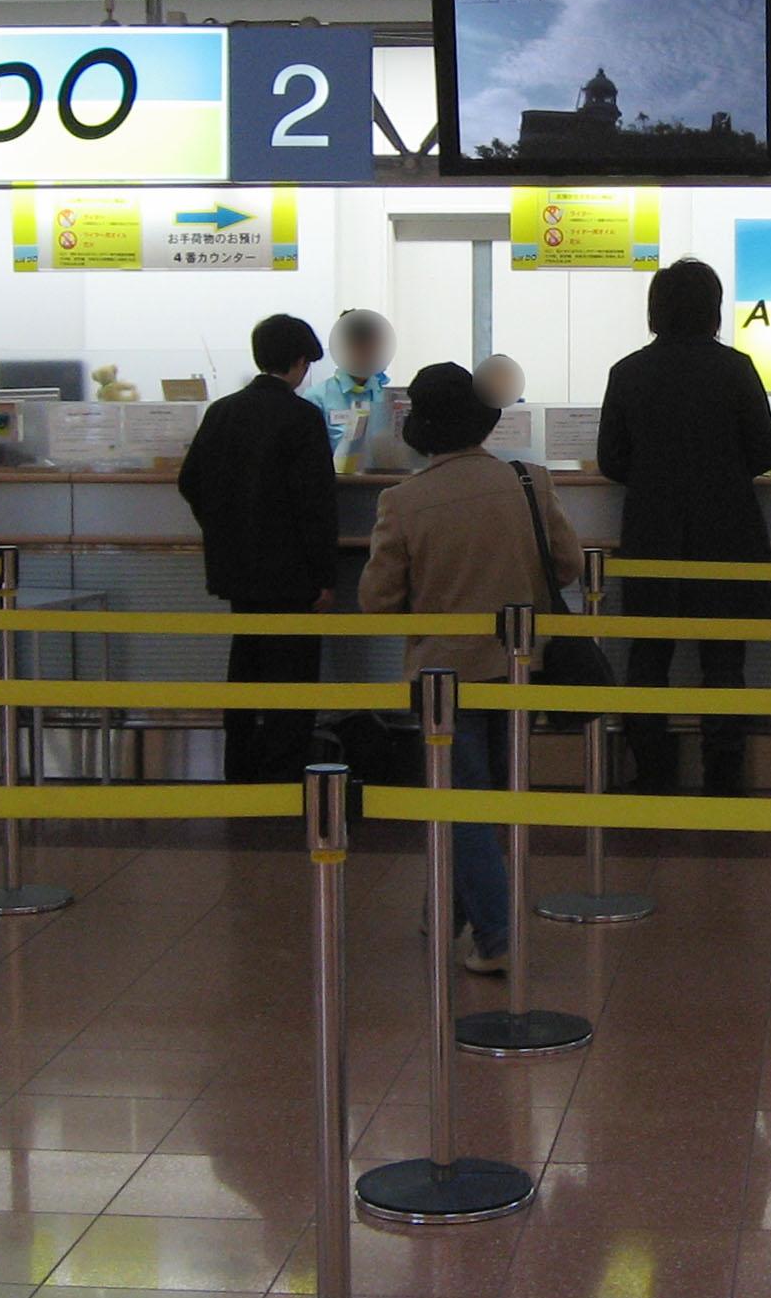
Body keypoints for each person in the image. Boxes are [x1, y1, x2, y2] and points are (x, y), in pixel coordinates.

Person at [360, 362, 583, 974]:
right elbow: (564, 566)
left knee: (462, 803)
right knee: (486, 804)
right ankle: (444, 915)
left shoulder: (402, 503)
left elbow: (378, 600)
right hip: (516, 667)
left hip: (440, 677)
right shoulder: (528, 481)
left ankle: (496, 936)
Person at [597, 257, 771, 795]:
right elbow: (765, 451)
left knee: (649, 655)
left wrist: (656, 477)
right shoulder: (736, 368)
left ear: (655, 310)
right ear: (714, 311)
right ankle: (723, 774)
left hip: (652, 532)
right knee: (723, 658)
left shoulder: (627, 372)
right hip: (728, 532)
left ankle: (652, 770)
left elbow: (610, 459)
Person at [177, 314, 339, 782]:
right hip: (292, 577)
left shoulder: (222, 411)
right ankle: (284, 775)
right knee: (292, 679)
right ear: (299, 360)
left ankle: (240, 769)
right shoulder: (302, 416)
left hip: (237, 571)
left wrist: (224, 529)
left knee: (245, 666)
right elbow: (315, 504)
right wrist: (324, 577)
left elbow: (190, 481)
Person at [300, 308, 394, 451]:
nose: (367, 353)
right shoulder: (316, 398)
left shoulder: (388, 397)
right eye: (359, 346)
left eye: (373, 346)